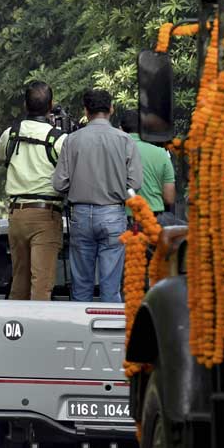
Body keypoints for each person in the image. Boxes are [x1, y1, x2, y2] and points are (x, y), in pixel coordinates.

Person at [51, 89, 142, 303]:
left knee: (81, 287)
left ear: (86, 110)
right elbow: (135, 183)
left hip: (80, 215)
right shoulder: (125, 140)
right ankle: (109, 334)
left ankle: (81, 332)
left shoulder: (72, 140)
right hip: (113, 214)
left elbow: (58, 183)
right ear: (111, 109)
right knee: (111, 288)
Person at [0, 81, 68, 300]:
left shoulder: (11, 134)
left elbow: (2, 156)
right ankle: (37, 333)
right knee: (41, 285)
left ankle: (15, 331)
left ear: (25, 105)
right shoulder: (58, 139)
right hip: (45, 215)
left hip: (16, 216)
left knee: (20, 282)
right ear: (51, 105)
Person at [119, 110, 179, 225]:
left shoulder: (115, 152)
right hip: (154, 219)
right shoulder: (161, 153)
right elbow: (169, 198)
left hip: (123, 220)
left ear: (121, 129)